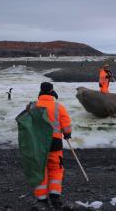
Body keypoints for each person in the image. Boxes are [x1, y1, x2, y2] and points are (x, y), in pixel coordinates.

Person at [34, 82, 71, 210]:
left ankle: (41, 201)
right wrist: (67, 134)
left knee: (40, 170)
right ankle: (55, 196)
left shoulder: (33, 106)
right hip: (55, 143)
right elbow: (66, 124)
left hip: (38, 144)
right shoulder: (58, 107)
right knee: (56, 169)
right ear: (51, 91)